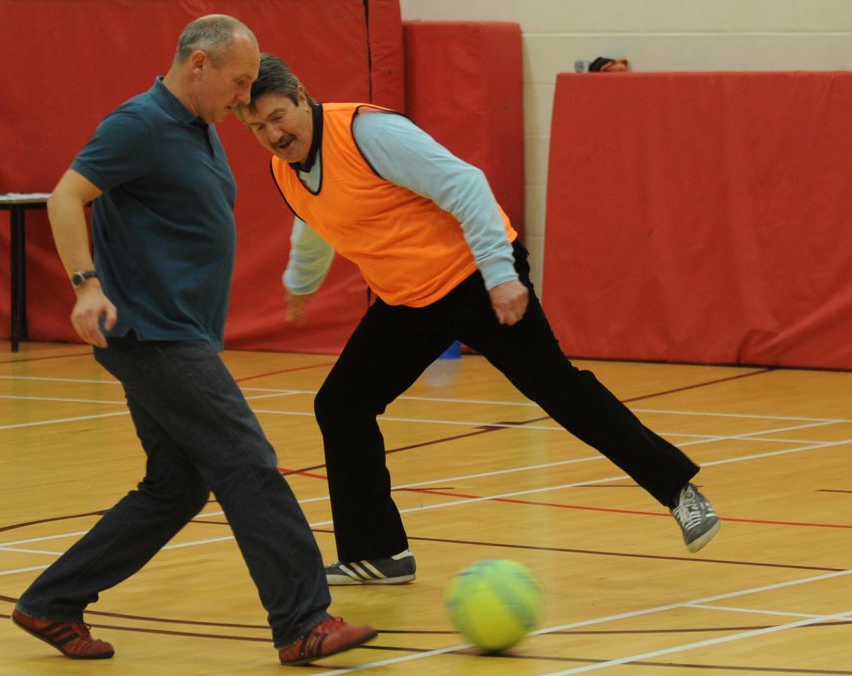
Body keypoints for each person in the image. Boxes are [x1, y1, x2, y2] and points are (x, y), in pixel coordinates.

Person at [237, 54, 721, 586]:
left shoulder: (369, 133)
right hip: (410, 300)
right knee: (341, 405)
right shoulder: (286, 169)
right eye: (257, 126)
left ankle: (678, 489)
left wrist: (499, 273)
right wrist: (300, 286)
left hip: (475, 276)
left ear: (302, 96)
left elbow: (466, 185)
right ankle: (377, 552)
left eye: (279, 116)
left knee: (558, 389)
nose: (272, 133)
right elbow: (314, 226)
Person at [10, 18, 376, 665]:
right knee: (248, 460)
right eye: (237, 82)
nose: (244, 98)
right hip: (152, 334)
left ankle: (52, 600)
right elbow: (66, 197)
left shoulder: (199, 128)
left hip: (178, 335)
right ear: (199, 65)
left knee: (175, 486)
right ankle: (302, 620)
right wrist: (85, 285)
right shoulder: (141, 123)